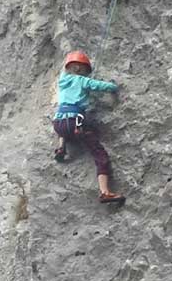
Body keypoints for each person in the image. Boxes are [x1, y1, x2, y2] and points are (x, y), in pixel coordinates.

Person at [52, 51, 125, 204]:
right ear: (78, 69)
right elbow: (98, 85)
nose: (87, 75)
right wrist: (114, 87)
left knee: (64, 126)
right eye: (85, 71)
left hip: (58, 123)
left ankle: (61, 147)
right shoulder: (81, 80)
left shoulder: (62, 81)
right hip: (75, 122)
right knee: (100, 155)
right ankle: (105, 192)